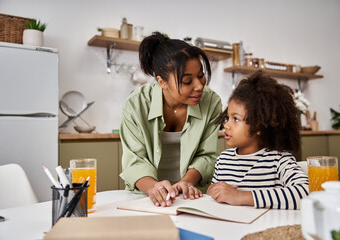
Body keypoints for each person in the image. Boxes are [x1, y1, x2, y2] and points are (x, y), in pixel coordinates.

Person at [120, 32, 222, 207]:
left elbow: (207, 156)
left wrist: (187, 182)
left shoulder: (211, 101)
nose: (199, 86)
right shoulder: (136, 104)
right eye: (187, 81)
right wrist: (154, 188)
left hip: (193, 194)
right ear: (162, 82)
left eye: (201, 75)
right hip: (147, 196)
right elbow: (135, 160)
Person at [207, 71, 309, 210]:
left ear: (259, 125)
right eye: (227, 118)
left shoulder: (278, 160)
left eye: (236, 119)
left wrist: (241, 196)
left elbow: (306, 193)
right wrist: (212, 191)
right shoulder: (223, 160)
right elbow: (214, 195)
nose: (226, 125)